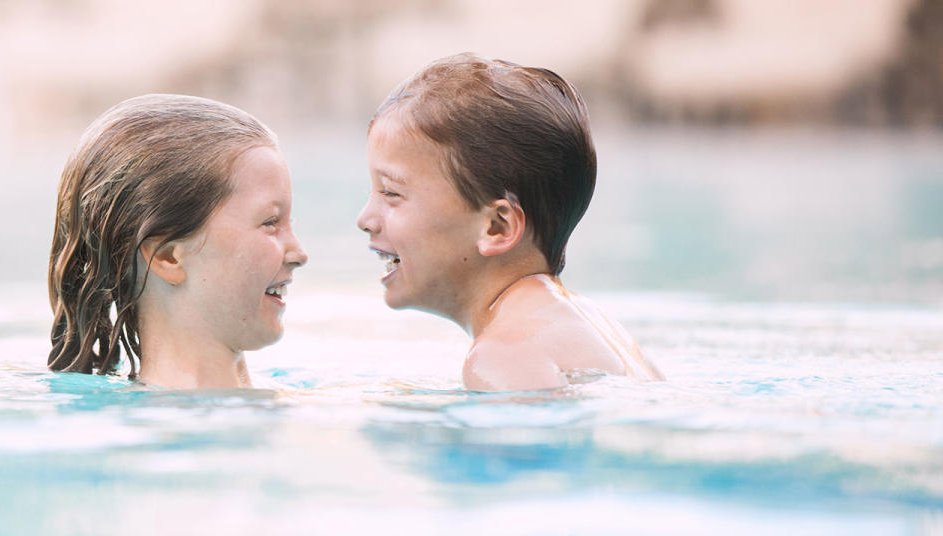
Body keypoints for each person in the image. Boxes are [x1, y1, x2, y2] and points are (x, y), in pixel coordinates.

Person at [356, 53, 662, 390]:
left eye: (391, 193)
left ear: (496, 227)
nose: (365, 219)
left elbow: (522, 440)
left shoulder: (503, 355)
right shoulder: (597, 327)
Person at [48, 94, 308, 388]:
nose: (299, 253)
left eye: (290, 222)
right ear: (168, 257)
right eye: (270, 223)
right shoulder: (180, 427)